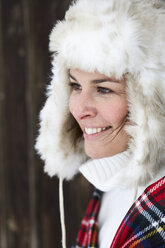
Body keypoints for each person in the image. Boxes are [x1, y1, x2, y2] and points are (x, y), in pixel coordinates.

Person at [35, 0, 165, 247]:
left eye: (104, 89)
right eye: (75, 86)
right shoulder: (111, 183)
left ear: (154, 99)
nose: (79, 109)